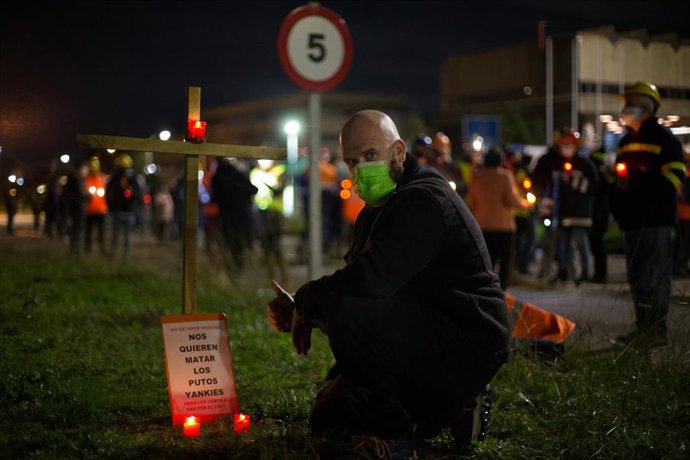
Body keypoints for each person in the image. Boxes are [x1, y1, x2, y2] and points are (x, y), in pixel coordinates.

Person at [266, 110, 511, 456]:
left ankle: (394, 437)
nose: (360, 170)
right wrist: (304, 312)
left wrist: (308, 301)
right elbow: (365, 293)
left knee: (351, 305)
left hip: (465, 338)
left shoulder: (424, 200)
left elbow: (370, 282)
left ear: (398, 151)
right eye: (351, 161)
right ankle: (449, 409)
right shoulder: (377, 209)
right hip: (421, 328)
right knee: (325, 416)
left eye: (370, 156)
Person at [611, 81, 685, 346]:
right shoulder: (625, 141)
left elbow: (674, 178)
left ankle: (657, 332)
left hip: (656, 220)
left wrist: (639, 183)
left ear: (646, 106)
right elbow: (618, 182)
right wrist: (619, 206)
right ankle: (642, 329)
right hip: (632, 221)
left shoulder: (664, 139)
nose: (627, 108)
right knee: (637, 277)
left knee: (655, 276)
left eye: (632, 103)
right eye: (627, 103)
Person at [468, 147, 532, 290]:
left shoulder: (476, 177)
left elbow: (471, 202)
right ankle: (502, 292)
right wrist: (527, 205)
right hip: (504, 227)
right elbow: (511, 200)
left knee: (486, 262)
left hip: (482, 226)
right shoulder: (505, 176)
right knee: (505, 263)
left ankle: (485, 290)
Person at [548, 130, 598, 285]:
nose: (565, 148)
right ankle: (564, 271)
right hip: (563, 212)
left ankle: (584, 273)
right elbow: (553, 187)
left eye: (568, 145)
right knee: (564, 244)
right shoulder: (558, 164)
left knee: (581, 242)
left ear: (576, 146)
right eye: (563, 145)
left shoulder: (585, 164)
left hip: (580, 213)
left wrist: (573, 181)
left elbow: (592, 185)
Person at [212, 157, 257, 275]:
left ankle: (232, 269)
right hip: (242, 215)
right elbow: (253, 190)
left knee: (229, 243)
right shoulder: (238, 175)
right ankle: (238, 267)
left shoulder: (218, 178)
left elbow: (215, 198)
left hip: (227, 216)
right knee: (239, 243)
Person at [250, 159, 289, 285]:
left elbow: (279, 190)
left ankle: (284, 278)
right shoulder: (255, 172)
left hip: (275, 213)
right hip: (261, 212)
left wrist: (265, 183)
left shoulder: (280, 171)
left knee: (276, 247)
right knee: (265, 246)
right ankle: (270, 278)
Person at [106, 153, 142, 257]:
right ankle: (113, 255)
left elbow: (139, 194)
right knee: (116, 236)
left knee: (127, 237)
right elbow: (109, 194)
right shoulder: (114, 178)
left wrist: (133, 193)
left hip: (129, 211)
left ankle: (126, 257)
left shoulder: (134, 179)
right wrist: (111, 207)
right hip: (118, 211)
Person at [588, 148, 616, 283]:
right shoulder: (605, 172)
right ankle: (599, 273)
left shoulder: (600, 173)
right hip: (601, 212)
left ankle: (600, 274)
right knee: (596, 244)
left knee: (596, 244)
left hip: (598, 213)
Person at [62, 160, 89, 255]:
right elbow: (77, 195)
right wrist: (87, 196)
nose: (86, 170)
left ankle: (76, 250)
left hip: (79, 209)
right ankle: (74, 251)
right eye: (84, 168)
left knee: (78, 230)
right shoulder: (73, 179)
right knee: (75, 230)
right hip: (75, 209)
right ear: (79, 168)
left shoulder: (80, 179)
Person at [84, 156, 109, 254]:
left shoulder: (103, 178)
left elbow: (107, 191)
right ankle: (87, 250)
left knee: (101, 232)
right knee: (88, 232)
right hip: (89, 210)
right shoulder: (86, 179)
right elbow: (84, 191)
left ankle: (102, 250)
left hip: (101, 210)